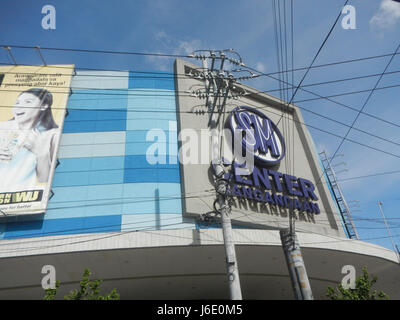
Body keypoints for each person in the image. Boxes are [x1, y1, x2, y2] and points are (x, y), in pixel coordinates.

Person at [0, 88, 59, 189]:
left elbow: (44, 179)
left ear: (44, 106)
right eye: (17, 103)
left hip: (22, 196)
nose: (19, 106)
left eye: (28, 102)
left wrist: (41, 152)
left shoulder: (52, 134)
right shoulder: (2, 127)